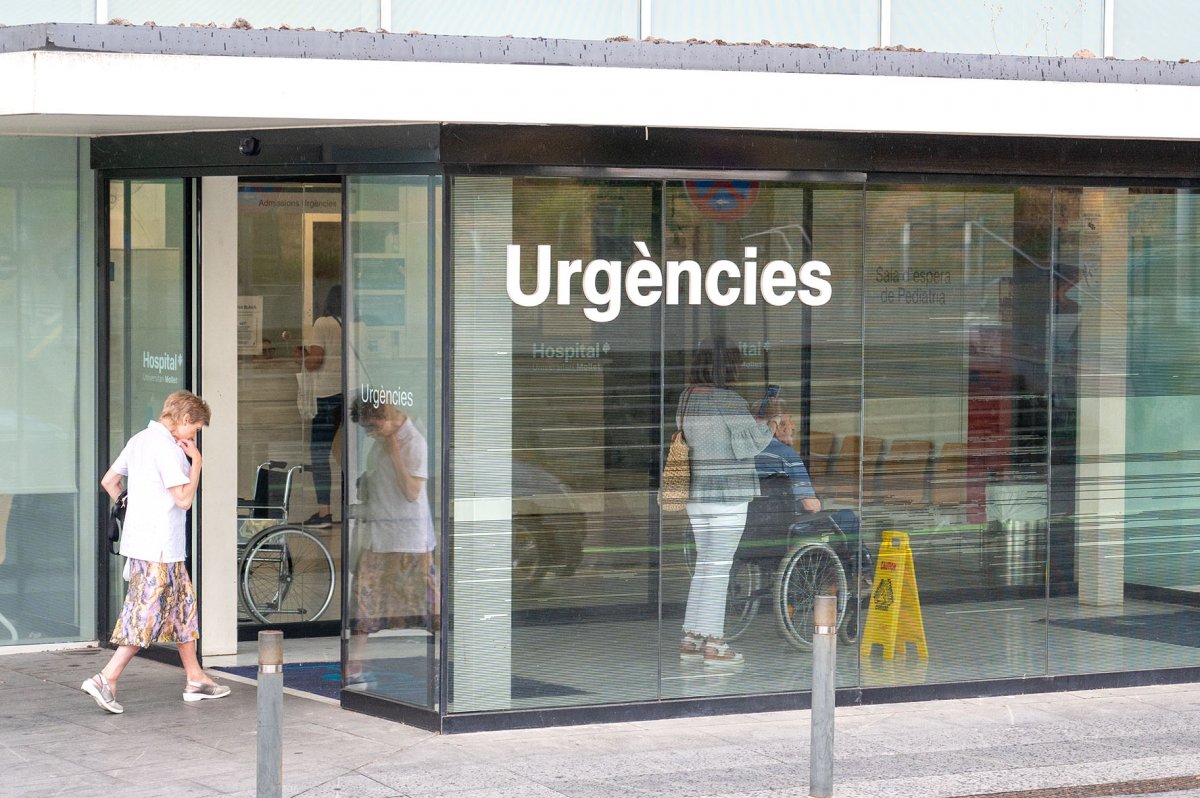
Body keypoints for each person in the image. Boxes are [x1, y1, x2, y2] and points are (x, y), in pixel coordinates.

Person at [83, 390, 230, 714]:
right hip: (160, 547)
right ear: (185, 420)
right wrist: (197, 463)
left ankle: (195, 678)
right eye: (196, 429)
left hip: (144, 544)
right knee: (144, 613)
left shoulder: (140, 440)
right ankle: (106, 678)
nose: (194, 436)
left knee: (182, 609)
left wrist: (134, 507)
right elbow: (183, 500)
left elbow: (110, 481)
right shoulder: (166, 448)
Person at [679, 337, 777, 669]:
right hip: (728, 494)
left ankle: (693, 637)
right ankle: (715, 644)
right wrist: (772, 424)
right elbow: (749, 444)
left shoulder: (687, 396)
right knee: (718, 567)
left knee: (707, 565)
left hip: (697, 493)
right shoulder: (728, 399)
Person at [345, 397, 438, 682]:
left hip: (410, 538)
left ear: (386, 414)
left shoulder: (414, 442)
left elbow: (412, 492)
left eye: (372, 427)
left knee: (429, 604)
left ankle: (447, 659)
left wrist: (395, 451)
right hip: (379, 534)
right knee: (364, 602)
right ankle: (354, 666)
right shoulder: (379, 440)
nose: (370, 433)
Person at [752, 397, 860, 539]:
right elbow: (810, 506)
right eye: (791, 421)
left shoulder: (745, 455)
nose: (794, 426)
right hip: (793, 530)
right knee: (848, 517)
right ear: (778, 428)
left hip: (754, 530)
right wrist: (820, 502)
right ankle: (857, 561)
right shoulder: (786, 455)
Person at [304, 285, 343, 528]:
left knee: (319, 453)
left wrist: (303, 356)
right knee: (348, 455)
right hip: (350, 394)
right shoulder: (358, 325)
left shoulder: (323, 324)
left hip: (327, 396)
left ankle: (324, 511)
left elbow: (315, 361)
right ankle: (351, 507)